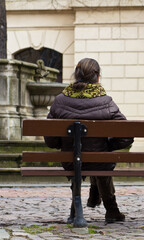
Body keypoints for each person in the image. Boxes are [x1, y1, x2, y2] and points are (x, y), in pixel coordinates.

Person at [44, 58, 133, 223]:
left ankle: (75, 208)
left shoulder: (60, 101)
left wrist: (61, 145)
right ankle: (111, 209)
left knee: (84, 159)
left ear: (76, 76)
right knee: (101, 160)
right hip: (100, 161)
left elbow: (50, 139)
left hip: (70, 160)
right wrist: (108, 145)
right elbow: (126, 136)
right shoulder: (106, 102)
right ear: (98, 77)